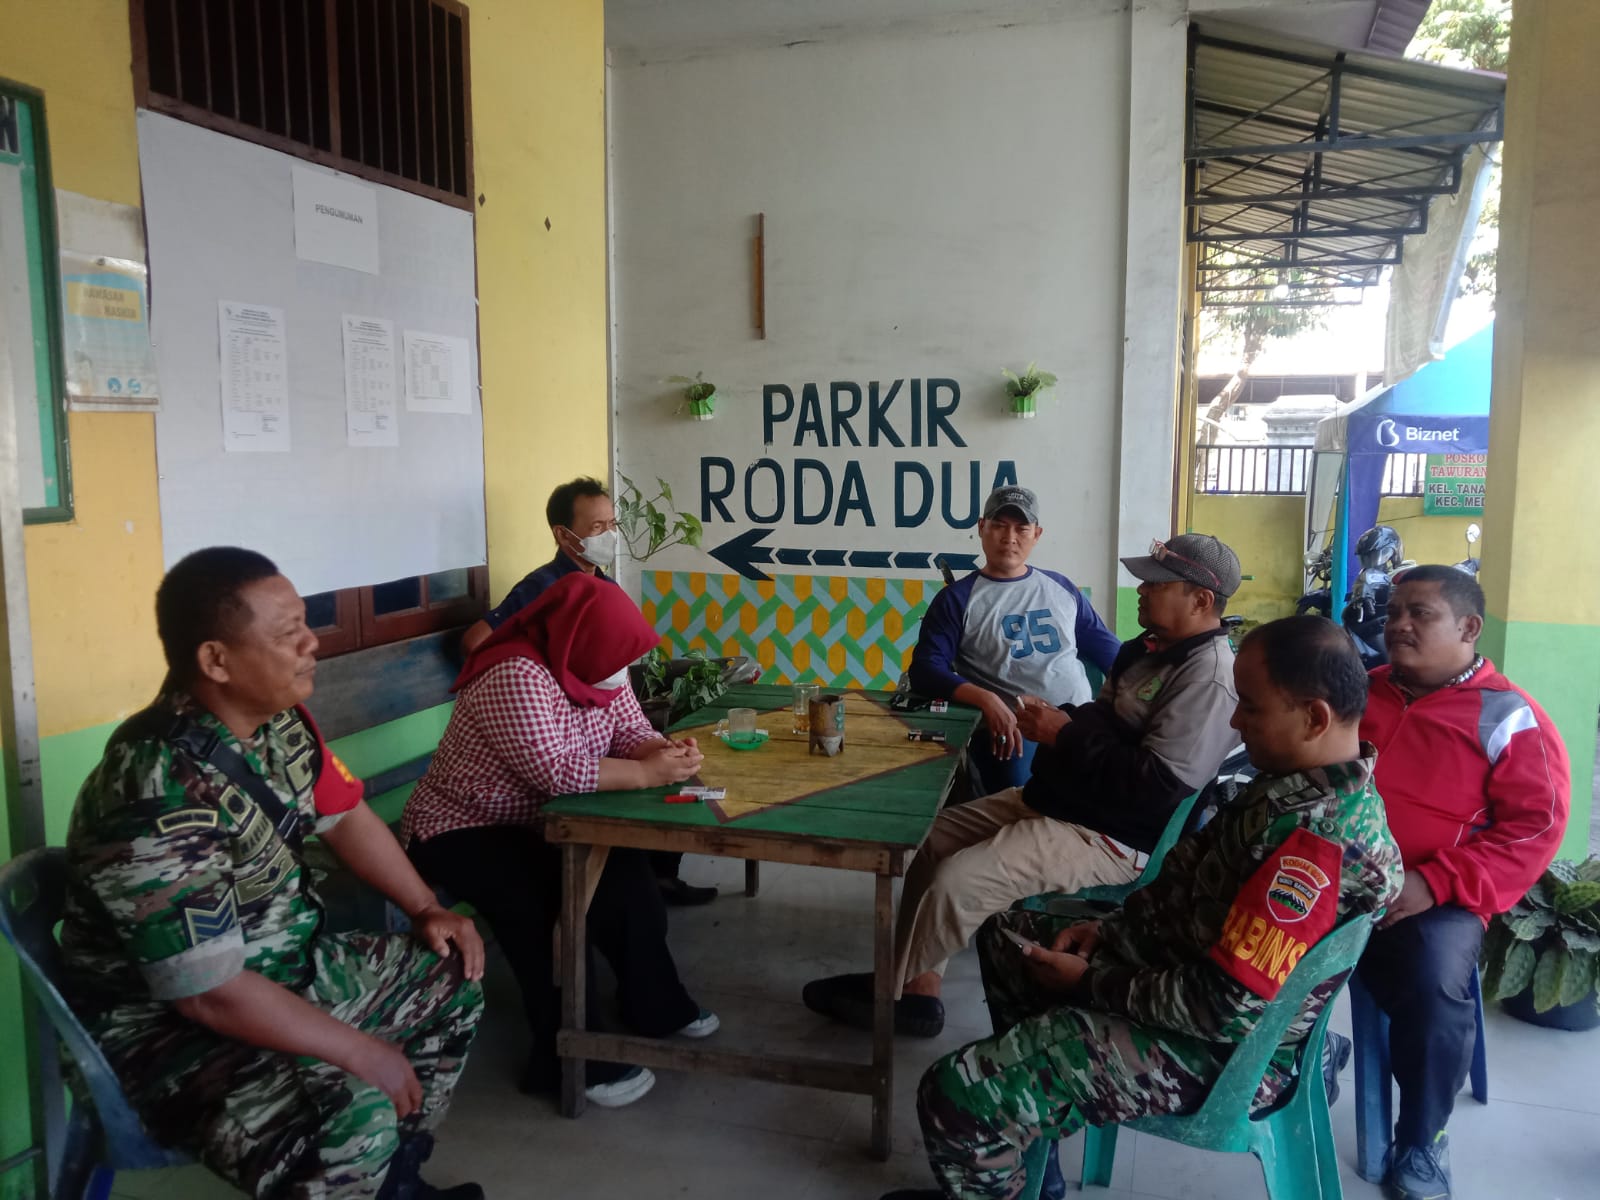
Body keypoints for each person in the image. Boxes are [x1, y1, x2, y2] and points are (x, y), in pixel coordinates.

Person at [882, 616, 1405, 1200]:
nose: (1235, 722)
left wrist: (1093, 984)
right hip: (1184, 975)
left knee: (955, 1095)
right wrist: (1108, 932)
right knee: (1011, 936)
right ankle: (1027, 1128)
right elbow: (1187, 884)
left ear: (1314, 717)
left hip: (1218, 1053)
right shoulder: (1295, 784)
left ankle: (999, 1129)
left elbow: (1221, 1009)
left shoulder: (1313, 850)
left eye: (1251, 708)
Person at [59, 547, 487, 1200]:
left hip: (283, 970)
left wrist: (427, 907)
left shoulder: (277, 724)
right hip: (170, 1039)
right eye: (288, 633)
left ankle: (394, 1183)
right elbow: (207, 993)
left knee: (455, 974)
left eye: (306, 623)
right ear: (216, 661)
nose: (312, 643)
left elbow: (344, 817)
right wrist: (359, 1049)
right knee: (354, 1111)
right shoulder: (154, 789)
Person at [804, 534, 1243, 1039]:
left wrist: (1064, 733)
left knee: (958, 881)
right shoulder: (1144, 650)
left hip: (1110, 836)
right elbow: (1100, 721)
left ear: (1201, 600)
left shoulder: (1208, 678)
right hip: (1067, 801)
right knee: (931, 840)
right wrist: (1062, 720)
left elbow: (1154, 789)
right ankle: (914, 987)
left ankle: (891, 993)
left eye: (1156, 584)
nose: (1141, 590)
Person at [403, 572, 718, 1111]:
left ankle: (654, 1003)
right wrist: (645, 775)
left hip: (545, 821)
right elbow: (554, 770)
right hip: (461, 826)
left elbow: (629, 729)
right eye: (614, 656)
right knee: (542, 904)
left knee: (624, 877)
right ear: (579, 636)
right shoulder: (514, 671)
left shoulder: (597, 662)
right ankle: (570, 1057)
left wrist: (663, 752)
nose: (618, 671)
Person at [1357, 565, 1569, 1200]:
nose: (1399, 625)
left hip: (1438, 894)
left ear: (1469, 627)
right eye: (1395, 612)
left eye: (1420, 613)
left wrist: (1434, 882)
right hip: (1338, 873)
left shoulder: (1508, 715)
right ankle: (1292, 1055)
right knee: (1248, 928)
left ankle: (1422, 1137)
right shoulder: (1362, 690)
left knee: (1434, 980)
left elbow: (1536, 827)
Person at [461, 475, 716, 907]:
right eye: (597, 527)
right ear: (564, 535)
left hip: (594, 723)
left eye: (612, 524)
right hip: (541, 747)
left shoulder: (603, 584)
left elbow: (625, 712)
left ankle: (658, 878)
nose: (610, 536)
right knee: (640, 783)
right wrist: (546, 677)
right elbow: (476, 642)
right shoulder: (543, 589)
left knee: (664, 769)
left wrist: (657, 749)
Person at [908, 485, 1121, 795]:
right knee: (1025, 802)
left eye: (1022, 528)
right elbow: (925, 670)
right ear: (982, 527)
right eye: (999, 525)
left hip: (1078, 725)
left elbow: (1113, 655)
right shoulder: (957, 599)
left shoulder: (1061, 588)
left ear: (1037, 534)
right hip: (1014, 733)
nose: (1010, 537)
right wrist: (987, 700)